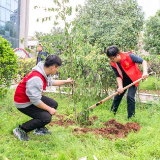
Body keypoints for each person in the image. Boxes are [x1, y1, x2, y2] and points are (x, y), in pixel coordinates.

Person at [13, 54, 73, 141]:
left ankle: (39, 129)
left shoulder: (43, 71)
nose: (57, 70)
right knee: (46, 118)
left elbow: (51, 82)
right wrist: (49, 109)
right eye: (57, 68)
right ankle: (21, 129)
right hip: (23, 102)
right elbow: (35, 101)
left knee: (53, 104)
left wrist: (66, 81)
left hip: (30, 98)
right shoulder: (36, 78)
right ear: (53, 67)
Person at [106, 45, 148, 119]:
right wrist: (120, 87)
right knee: (118, 96)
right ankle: (111, 114)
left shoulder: (129, 56)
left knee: (130, 97)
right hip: (123, 79)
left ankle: (131, 118)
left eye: (112, 58)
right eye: (110, 59)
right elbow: (118, 76)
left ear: (118, 55)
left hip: (134, 79)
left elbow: (143, 61)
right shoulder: (113, 63)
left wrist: (145, 72)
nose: (111, 60)